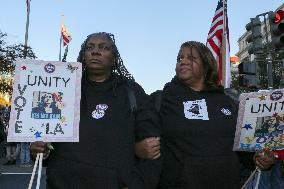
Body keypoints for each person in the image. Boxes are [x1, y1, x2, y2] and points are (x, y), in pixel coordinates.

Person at [30, 32, 160, 189]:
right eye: (89, 47)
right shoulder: (63, 88)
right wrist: (40, 150)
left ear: (114, 59)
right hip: (63, 182)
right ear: (83, 55)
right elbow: (46, 135)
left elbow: (152, 146)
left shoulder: (132, 91)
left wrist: (136, 184)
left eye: (104, 47)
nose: (95, 51)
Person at [140, 41, 274, 189]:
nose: (183, 61)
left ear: (206, 65)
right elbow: (134, 137)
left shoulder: (229, 102)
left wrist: (258, 159)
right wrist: (138, 149)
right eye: (179, 59)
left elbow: (243, 150)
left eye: (191, 58)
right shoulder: (161, 99)